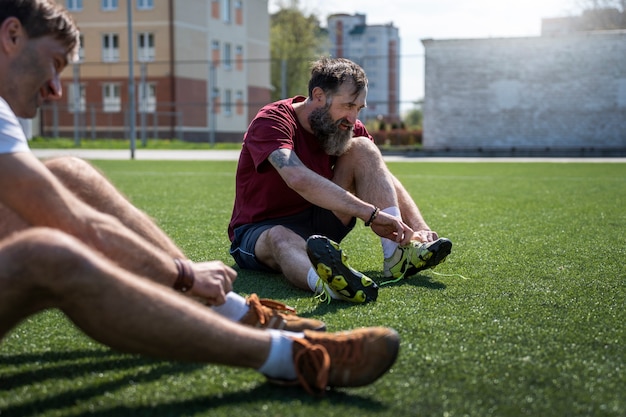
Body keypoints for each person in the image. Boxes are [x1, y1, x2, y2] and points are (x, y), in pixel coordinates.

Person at [0, 0, 400, 395]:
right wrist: (183, 275)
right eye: (54, 63)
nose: (55, 88)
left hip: (309, 222)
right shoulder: (274, 117)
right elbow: (75, 224)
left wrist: (408, 229)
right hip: (261, 230)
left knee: (71, 173)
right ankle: (286, 356)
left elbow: (377, 170)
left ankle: (236, 313)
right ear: (12, 35)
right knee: (48, 252)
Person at [229, 57, 452, 303]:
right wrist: (371, 214)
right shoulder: (272, 120)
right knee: (281, 236)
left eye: (359, 108)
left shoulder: (346, 126)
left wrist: (420, 228)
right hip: (260, 231)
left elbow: (382, 177)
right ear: (319, 96)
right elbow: (296, 177)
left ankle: (397, 256)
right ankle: (332, 286)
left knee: (364, 148)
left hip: (320, 223)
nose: (353, 117)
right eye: (348, 105)